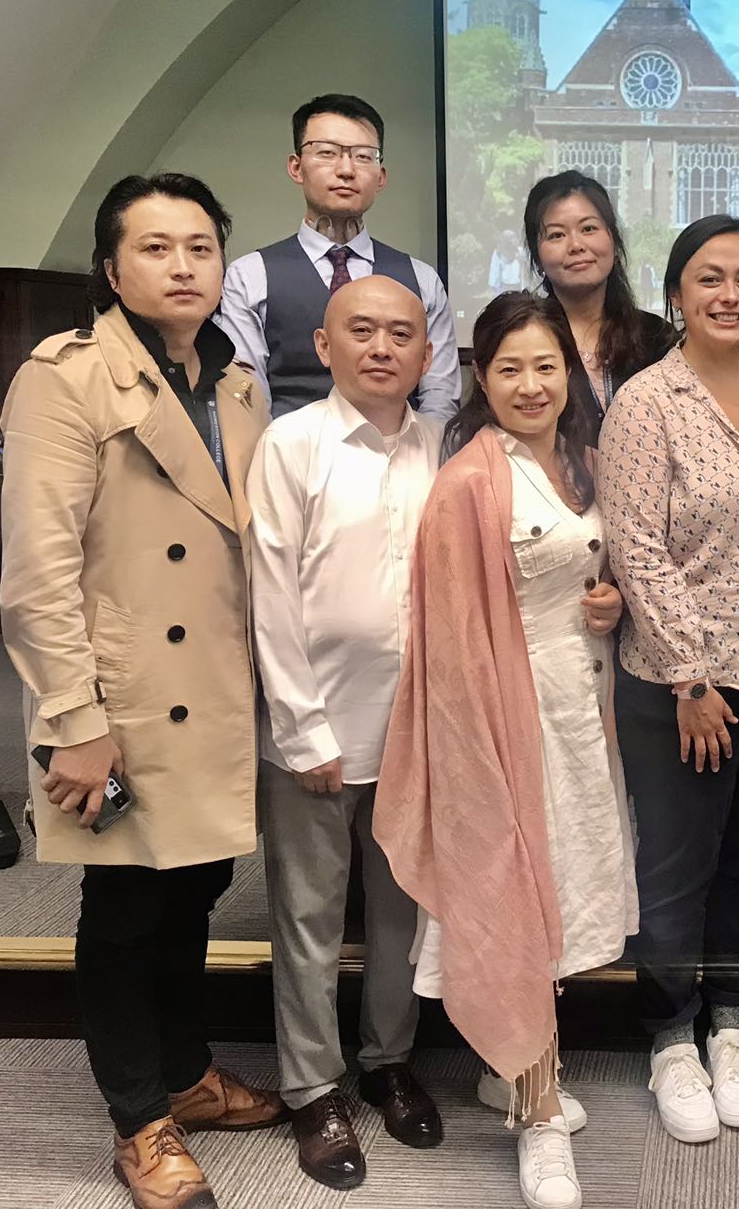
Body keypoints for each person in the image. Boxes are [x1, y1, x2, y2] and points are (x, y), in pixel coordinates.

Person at [0, 173, 282, 1209]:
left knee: (193, 890)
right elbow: (36, 573)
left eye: (200, 247)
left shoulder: (235, 384)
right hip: (114, 702)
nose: (182, 266)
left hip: (212, 689)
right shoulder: (65, 378)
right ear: (112, 270)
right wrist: (73, 723)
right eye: (156, 248)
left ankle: (187, 1072)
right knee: (124, 904)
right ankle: (138, 1118)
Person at [373, 292, 638, 1209]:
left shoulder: (581, 464)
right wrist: (476, 756)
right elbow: (448, 644)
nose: (531, 385)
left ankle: (513, 1071)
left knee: (561, 889)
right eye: (510, 368)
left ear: (572, 374)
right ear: (481, 380)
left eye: (546, 366)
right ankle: (537, 1112)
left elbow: (592, 568)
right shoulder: (470, 484)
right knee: (515, 895)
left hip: (579, 714)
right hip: (502, 719)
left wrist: (609, 600)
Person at [598, 216, 739, 1145]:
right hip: (681, 687)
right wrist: (689, 677)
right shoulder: (646, 401)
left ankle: (733, 1021)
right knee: (676, 864)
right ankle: (669, 1034)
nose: (729, 295)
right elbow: (636, 547)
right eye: (709, 279)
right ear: (677, 293)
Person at [248, 276, 446, 1189]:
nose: (381, 347)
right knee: (309, 921)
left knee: (403, 915)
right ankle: (313, 1089)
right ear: (324, 347)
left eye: (400, 334)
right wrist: (302, 730)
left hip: (418, 735)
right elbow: (271, 595)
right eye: (360, 331)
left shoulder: (442, 446)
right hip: (317, 734)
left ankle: (388, 1062)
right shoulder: (292, 444)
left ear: (427, 353)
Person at [219, 93, 458, 419]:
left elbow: (440, 399)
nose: (346, 170)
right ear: (296, 167)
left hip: (405, 448)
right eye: (327, 153)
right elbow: (247, 401)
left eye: (363, 156)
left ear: (381, 176)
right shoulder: (249, 276)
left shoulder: (422, 279)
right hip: (289, 448)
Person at [522, 169, 673, 432]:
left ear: (614, 243)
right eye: (557, 235)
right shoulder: (522, 338)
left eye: (589, 228)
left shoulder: (657, 337)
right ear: (538, 258)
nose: (576, 245)